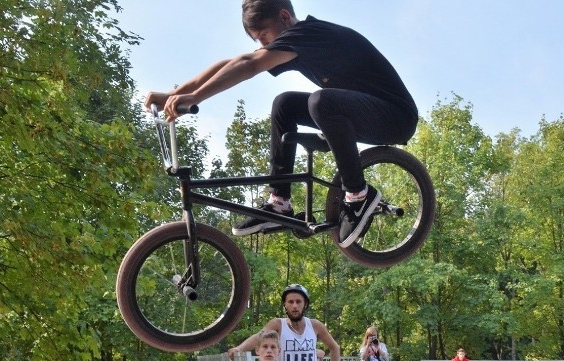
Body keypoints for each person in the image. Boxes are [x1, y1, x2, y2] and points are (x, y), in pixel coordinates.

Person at [144, 0, 418, 248]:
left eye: (263, 36)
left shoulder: (309, 34)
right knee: (285, 103)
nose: (262, 45)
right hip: (359, 111)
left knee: (321, 102)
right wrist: (173, 93)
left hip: (395, 116)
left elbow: (249, 64)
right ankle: (280, 203)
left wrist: (195, 97)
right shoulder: (297, 42)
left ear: (285, 17)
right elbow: (234, 62)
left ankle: (359, 195)